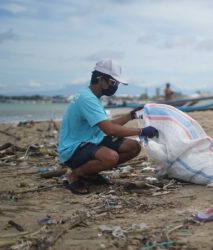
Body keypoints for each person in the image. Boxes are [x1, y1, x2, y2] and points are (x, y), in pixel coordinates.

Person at [58, 58, 159, 195]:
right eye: (113, 82)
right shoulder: (87, 98)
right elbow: (110, 130)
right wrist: (141, 131)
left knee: (133, 147)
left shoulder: (93, 97)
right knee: (110, 157)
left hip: (92, 141)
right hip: (74, 148)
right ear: (100, 79)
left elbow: (107, 125)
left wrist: (131, 115)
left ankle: (89, 173)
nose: (115, 86)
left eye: (116, 83)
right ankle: (75, 174)